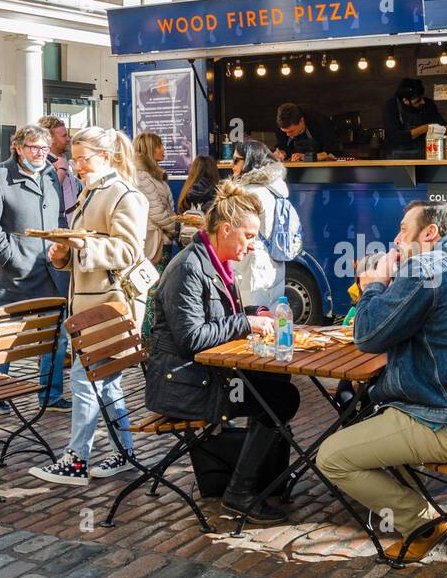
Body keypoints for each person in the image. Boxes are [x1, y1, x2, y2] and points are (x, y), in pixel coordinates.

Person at [316, 201, 447, 563]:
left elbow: (367, 336)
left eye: (403, 229)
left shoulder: (426, 268)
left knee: (331, 457)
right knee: (381, 411)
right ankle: (416, 506)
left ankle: (421, 523)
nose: (396, 238)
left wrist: (373, 285)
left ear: (430, 233)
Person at [146, 181, 299, 524]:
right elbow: (192, 338)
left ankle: (259, 478)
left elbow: (221, 319)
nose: (253, 243)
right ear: (226, 229)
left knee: (279, 388)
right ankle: (240, 492)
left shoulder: (214, 261)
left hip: (201, 375)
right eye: (248, 235)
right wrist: (245, 323)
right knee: (279, 400)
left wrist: (256, 313)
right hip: (183, 384)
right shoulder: (188, 268)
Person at [30, 127, 149, 486]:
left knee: (86, 380)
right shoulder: (92, 191)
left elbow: (129, 251)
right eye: (76, 159)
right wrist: (64, 253)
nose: (77, 166)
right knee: (105, 384)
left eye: (84, 159)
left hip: (110, 306)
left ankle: (77, 459)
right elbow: (89, 254)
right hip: (90, 305)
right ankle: (124, 452)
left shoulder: (124, 194)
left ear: (106, 156)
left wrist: (80, 246)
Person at [0, 124, 70, 412]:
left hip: (52, 271)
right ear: (18, 147)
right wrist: (11, 256)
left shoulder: (51, 174)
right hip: (15, 275)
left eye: (44, 147)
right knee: (6, 338)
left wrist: (62, 249)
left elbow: (61, 217)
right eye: (33, 147)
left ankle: (50, 396)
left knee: (55, 336)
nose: (40, 153)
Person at [232, 141, 293, 310]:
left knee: (253, 321)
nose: (232, 164)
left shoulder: (251, 192)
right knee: (271, 317)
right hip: (274, 259)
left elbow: (237, 229)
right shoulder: (274, 188)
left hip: (252, 264)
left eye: (236, 160)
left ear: (251, 160)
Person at [381, 78, 447, 159]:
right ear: (405, 100)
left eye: (422, 97)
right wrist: (425, 128)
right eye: (418, 100)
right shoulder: (391, 106)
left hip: (424, 156)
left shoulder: (428, 104)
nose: (423, 102)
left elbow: (440, 127)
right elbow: (396, 137)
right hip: (397, 158)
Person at [132, 132, 177, 266]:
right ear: (149, 150)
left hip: (161, 240)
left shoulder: (153, 175)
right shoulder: (142, 177)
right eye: (159, 146)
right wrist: (176, 228)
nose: (163, 149)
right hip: (154, 243)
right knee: (155, 284)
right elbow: (156, 213)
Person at [177, 155, 221, 247]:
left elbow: (178, 224)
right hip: (208, 247)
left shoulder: (185, 193)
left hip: (187, 245)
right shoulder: (217, 196)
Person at [275, 103, 339, 161]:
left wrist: (307, 157)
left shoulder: (321, 123)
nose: (287, 135)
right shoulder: (282, 124)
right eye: (284, 131)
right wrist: (281, 153)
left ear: (301, 121)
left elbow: (333, 152)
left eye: (291, 131)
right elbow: (282, 146)